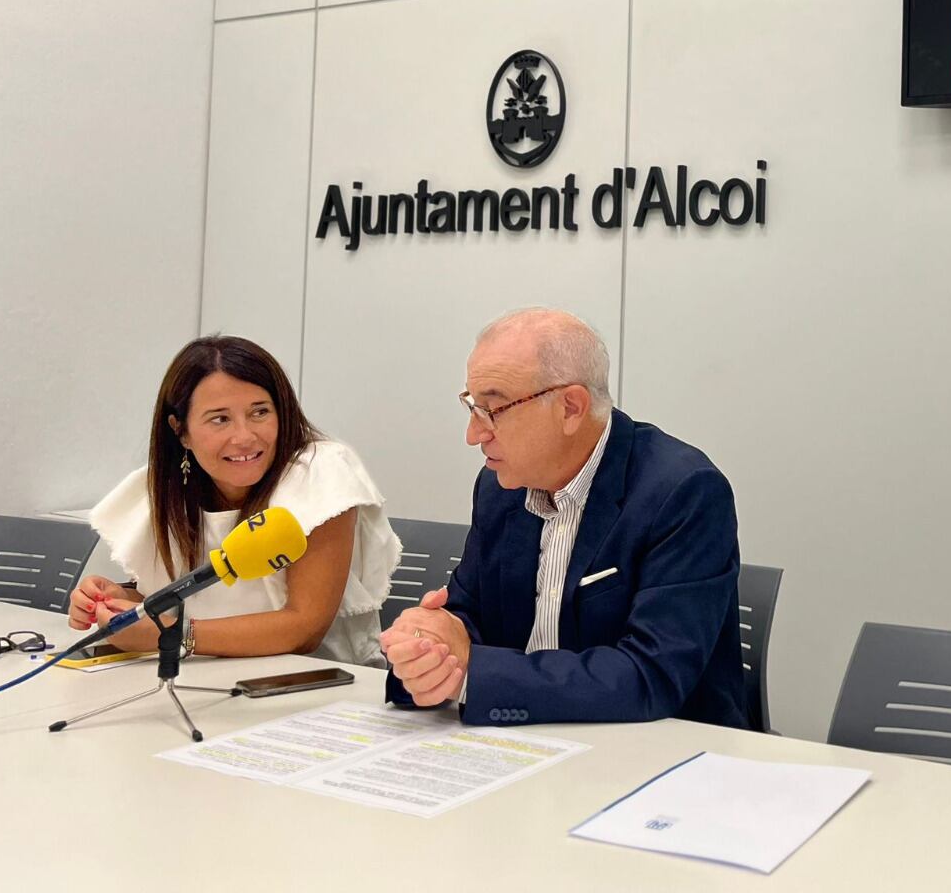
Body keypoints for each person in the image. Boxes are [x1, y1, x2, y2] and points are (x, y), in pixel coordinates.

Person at [382, 308, 746, 728]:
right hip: (530, 742)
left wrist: (472, 672)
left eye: (493, 409)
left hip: (663, 749)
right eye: (472, 407)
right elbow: (468, 619)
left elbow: (651, 676)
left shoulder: (683, 491)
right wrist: (427, 647)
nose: (473, 434)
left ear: (571, 407)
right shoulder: (501, 487)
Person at [74, 336, 401, 666]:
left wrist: (173, 634)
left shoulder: (320, 471)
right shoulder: (166, 486)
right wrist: (118, 600)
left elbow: (304, 630)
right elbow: (180, 597)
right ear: (180, 430)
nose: (244, 437)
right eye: (220, 419)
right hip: (206, 675)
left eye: (260, 412)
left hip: (318, 683)